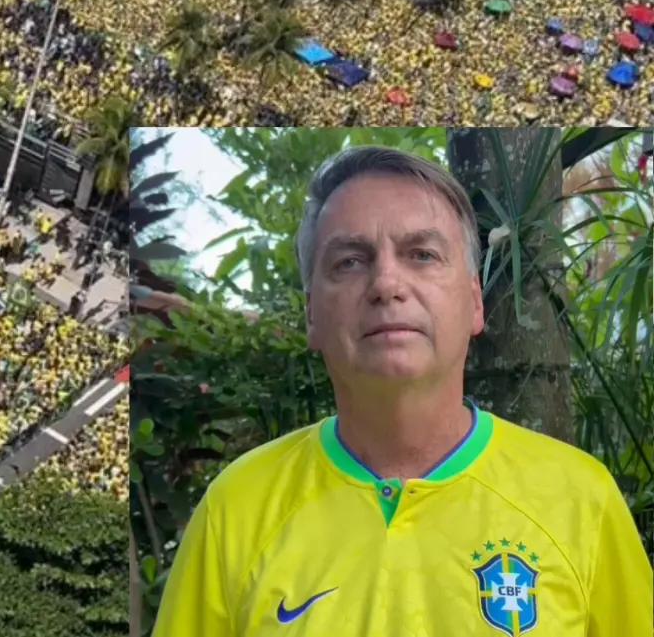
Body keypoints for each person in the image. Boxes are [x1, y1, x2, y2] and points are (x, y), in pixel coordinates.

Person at [154, 146, 652, 637]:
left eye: (422, 254)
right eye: (350, 261)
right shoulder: (235, 509)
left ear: (475, 301)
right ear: (311, 314)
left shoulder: (582, 501)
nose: (387, 283)